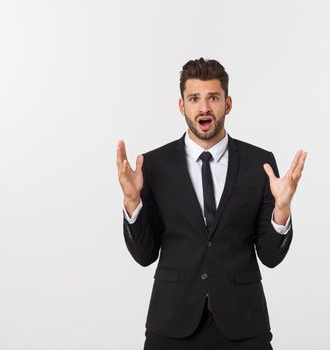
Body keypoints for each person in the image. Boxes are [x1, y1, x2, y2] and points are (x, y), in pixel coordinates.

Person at [116, 58, 307, 349]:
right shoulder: (153, 166)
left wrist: (281, 209)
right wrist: (132, 201)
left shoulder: (259, 163)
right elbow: (144, 254)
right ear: (182, 106)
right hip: (171, 322)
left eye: (213, 98)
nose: (203, 108)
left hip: (244, 324)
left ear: (227, 104)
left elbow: (270, 256)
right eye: (194, 98)